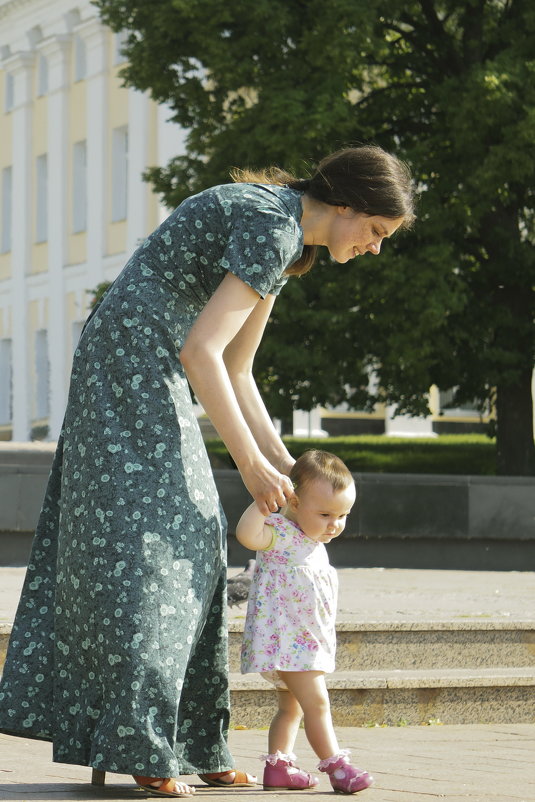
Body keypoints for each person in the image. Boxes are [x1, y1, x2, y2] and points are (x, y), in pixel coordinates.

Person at [0, 146, 414, 798]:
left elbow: (238, 368)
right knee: (152, 548)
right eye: (374, 231)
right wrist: (249, 465)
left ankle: (194, 744)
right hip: (130, 356)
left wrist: (286, 463)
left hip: (154, 359)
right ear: (344, 205)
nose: (374, 248)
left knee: (194, 541)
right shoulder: (273, 225)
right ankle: (145, 746)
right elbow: (202, 352)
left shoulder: (287, 242)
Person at [237, 450, 372, 794]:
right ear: (294, 502)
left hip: (304, 643)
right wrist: (264, 501)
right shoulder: (280, 534)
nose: (335, 524)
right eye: (325, 513)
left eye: (343, 515)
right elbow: (247, 535)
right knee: (318, 704)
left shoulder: (312, 541)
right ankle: (337, 768)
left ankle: (279, 767)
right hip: (290, 643)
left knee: (291, 708)